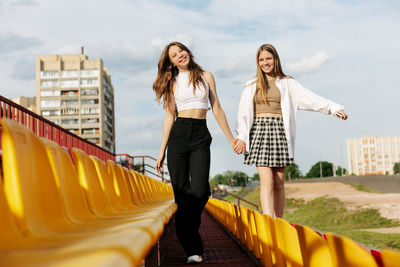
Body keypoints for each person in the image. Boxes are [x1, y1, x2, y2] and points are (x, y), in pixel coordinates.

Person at [234, 44, 348, 218]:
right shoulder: (251, 84)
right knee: (267, 181)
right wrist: (241, 137)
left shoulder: (288, 83)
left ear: (275, 59)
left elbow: (311, 99)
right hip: (258, 132)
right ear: (258, 62)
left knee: (279, 183)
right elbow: (243, 113)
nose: (265, 63)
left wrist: (333, 108)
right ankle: (269, 222)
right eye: (262, 59)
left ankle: (279, 223)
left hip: (279, 131)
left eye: (268, 58)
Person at [153, 42, 236, 264]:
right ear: (170, 62)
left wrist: (231, 139)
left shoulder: (205, 76)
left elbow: (216, 108)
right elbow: (170, 115)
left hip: (200, 134)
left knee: (200, 191)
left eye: (181, 51)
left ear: (188, 53)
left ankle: (187, 229)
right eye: (174, 55)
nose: (180, 56)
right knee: (181, 195)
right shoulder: (172, 82)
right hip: (178, 136)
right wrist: (161, 151)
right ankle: (192, 250)